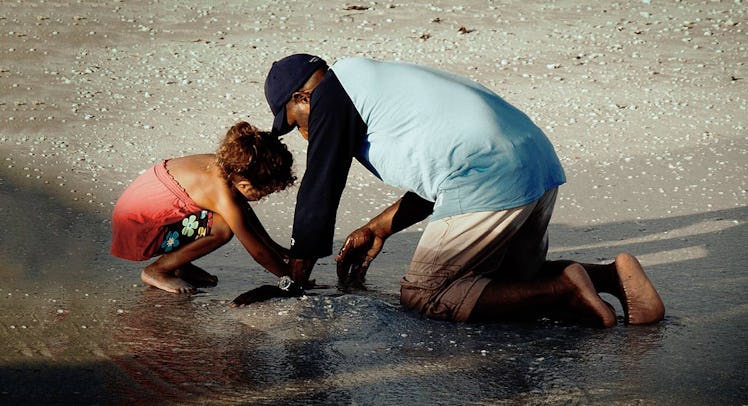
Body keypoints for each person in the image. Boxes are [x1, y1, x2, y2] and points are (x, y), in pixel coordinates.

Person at [248, 54, 665, 327]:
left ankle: (563, 289)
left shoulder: (331, 99)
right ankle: (612, 277)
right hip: (533, 160)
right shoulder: (372, 82)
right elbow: (440, 168)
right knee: (504, 280)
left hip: (490, 174)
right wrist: (380, 227)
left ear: (303, 96)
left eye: (294, 122)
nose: (303, 133)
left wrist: (295, 277)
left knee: (426, 294)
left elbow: (321, 188)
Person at [110, 121, 302, 298]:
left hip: (138, 218)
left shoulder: (226, 167)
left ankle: (180, 266)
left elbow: (244, 213)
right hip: (139, 232)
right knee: (223, 227)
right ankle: (157, 270)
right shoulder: (220, 193)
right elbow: (258, 253)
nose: (264, 197)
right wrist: (291, 278)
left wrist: (275, 247)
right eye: (264, 193)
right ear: (244, 185)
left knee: (227, 215)